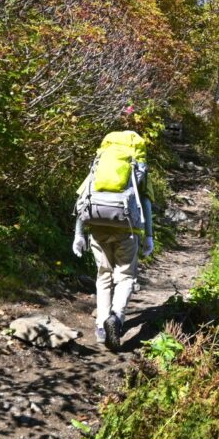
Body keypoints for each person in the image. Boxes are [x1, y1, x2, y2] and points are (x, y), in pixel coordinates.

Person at [71, 125, 154, 349]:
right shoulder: (137, 167)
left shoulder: (99, 164)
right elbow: (146, 203)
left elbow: (82, 200)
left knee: (103, 275)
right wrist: (148, 236)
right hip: (127, 229)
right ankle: (116, 319)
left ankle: (101, 327)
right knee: (125, 276)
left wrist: (79, 234)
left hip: (97, 225)